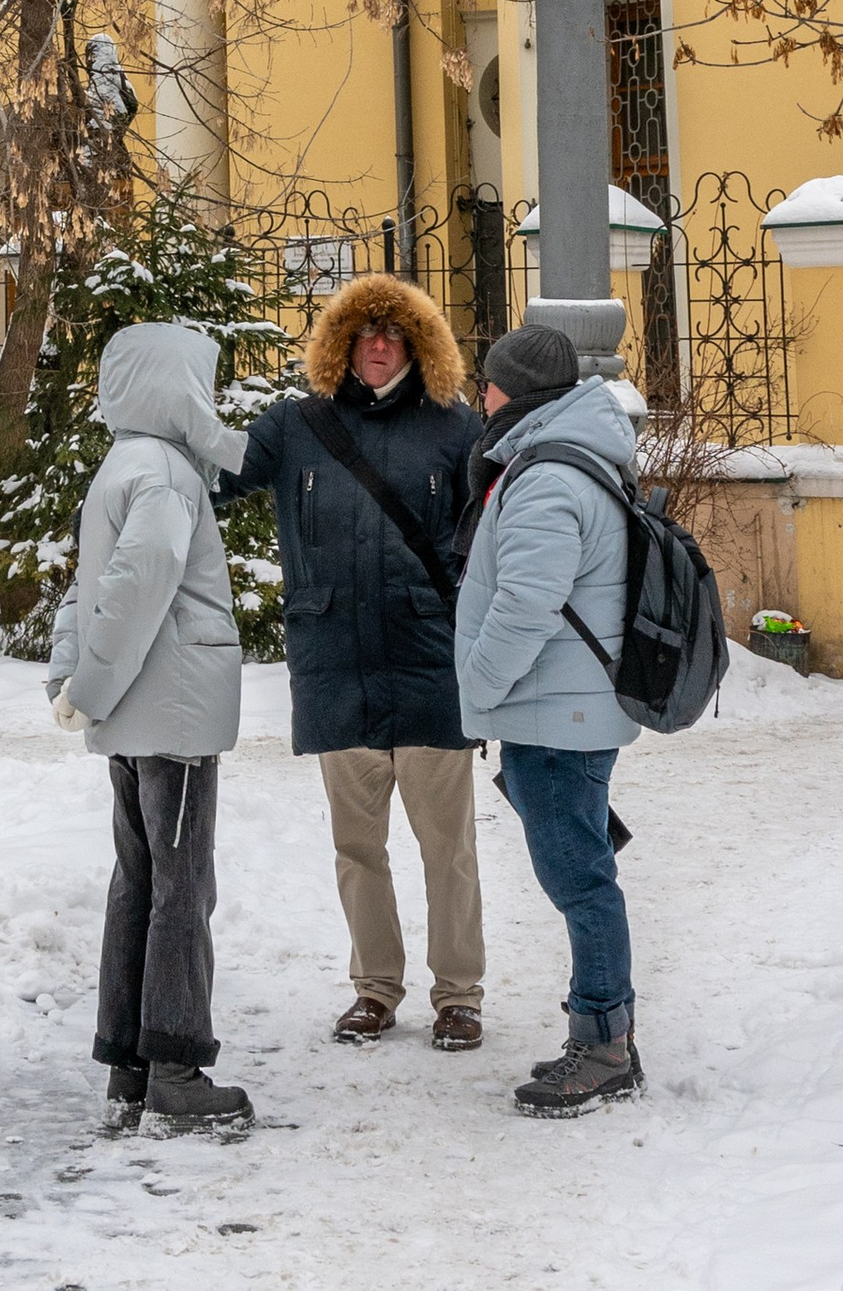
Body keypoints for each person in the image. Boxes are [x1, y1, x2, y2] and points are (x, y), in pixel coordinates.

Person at [225, 273, 484, 1052]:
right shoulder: (296, 427)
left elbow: (493, 542)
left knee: (448, 848)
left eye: (394, 334)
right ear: (340, 342)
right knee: (356, 846)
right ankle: (375, 988)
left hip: (429, 663)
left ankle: (459, 995)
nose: (378, 346)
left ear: (418, 345)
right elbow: (215, 481)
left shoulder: (455, 429)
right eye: (364, 333)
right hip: (335, 661)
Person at [45, 318, 255, 1136]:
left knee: (139, 881)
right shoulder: (166, 475)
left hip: (137, 716)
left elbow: (85, 588)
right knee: (181, 889)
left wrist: (75, 682)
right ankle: (175, 1068)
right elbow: (133, 590)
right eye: (200, 383)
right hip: (170, 714)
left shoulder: (121, 467)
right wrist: (89, 688)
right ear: (175, 388)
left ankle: (129, 1068)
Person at [454, 316, 646, 1119]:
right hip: (562, 711)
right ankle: (601, 1034)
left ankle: (603, 1046)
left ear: (518, 393)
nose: (482, 394)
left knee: (579, 879)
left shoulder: (546, 477)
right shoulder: (563, 459)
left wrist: (477, 689)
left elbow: (528, 602)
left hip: (557, 716)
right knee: (579, 869)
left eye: (490, 381)